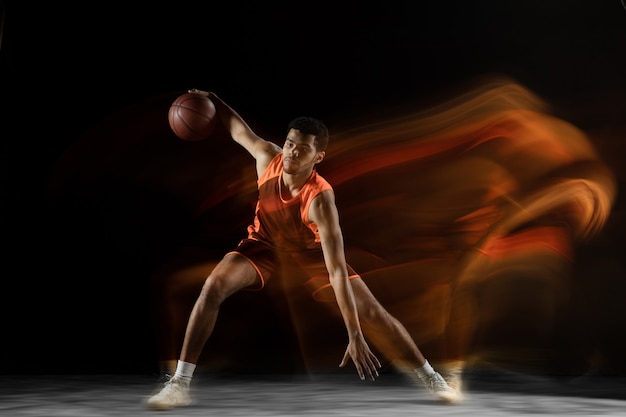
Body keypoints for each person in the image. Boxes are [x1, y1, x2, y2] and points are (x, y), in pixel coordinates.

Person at [146, 89, 460, 410]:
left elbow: (336, 270)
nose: (292, 153)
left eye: (303, 149)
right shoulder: (268, 157)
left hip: (309, 258)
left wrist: (353, 334)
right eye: (290, 143)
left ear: (318, 156)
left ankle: (432, 379)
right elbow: (237, 129)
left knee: (372, 312)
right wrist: (211, 98)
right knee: (212, 286)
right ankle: (179, 384)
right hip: (263, 246)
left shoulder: (320, 199)